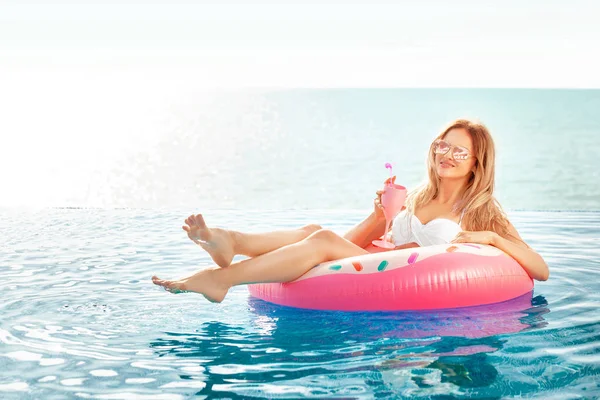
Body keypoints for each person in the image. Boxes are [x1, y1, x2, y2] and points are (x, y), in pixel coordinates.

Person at [152, 119, 549, 303]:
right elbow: (354, 245)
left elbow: (540, 270)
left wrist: (492, 237)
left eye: (459, 151)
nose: (446, 155)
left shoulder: (481, 208)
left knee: (320, 239)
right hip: (379, 265)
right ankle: (229, 242)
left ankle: (221, 277)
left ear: (477, 163)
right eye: (441, 145)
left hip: (407, 277)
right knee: (314, 230)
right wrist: (380, 216)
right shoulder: (413, 194)